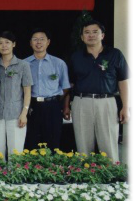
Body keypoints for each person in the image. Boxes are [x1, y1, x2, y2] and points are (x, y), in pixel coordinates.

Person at [65, 20, 131, 163]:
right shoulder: (76, 57)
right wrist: (66, 106)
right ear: (82, 37)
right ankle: (85, 174)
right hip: (81, 102)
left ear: (102, 35)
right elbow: (70, 84)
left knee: (109, 143)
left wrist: (126, 107)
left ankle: (112, 174)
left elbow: (123, 81)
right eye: (87, 33)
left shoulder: (114, 54)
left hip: (107, 102)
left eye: (95, 32)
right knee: (83, 145)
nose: (91, 35)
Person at [24, 28, 70, 150]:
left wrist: (63, 104)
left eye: (42, 39)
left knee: (53, 143)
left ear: (48, 42)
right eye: (35, 39)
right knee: (31, 142)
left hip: (52, 106)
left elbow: (66, 88)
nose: (38, 42)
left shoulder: (59, 63)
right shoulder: (24, 64)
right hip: (32, 106)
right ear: (30, 43)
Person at [0, 31, 33, 159]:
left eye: (7, 42)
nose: (4, 46)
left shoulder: (23, 65)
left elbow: (27, 91)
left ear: (14, 44)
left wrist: (24, 113)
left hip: (16, 115)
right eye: (0, 43)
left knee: (16, 153)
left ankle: (14, 173)